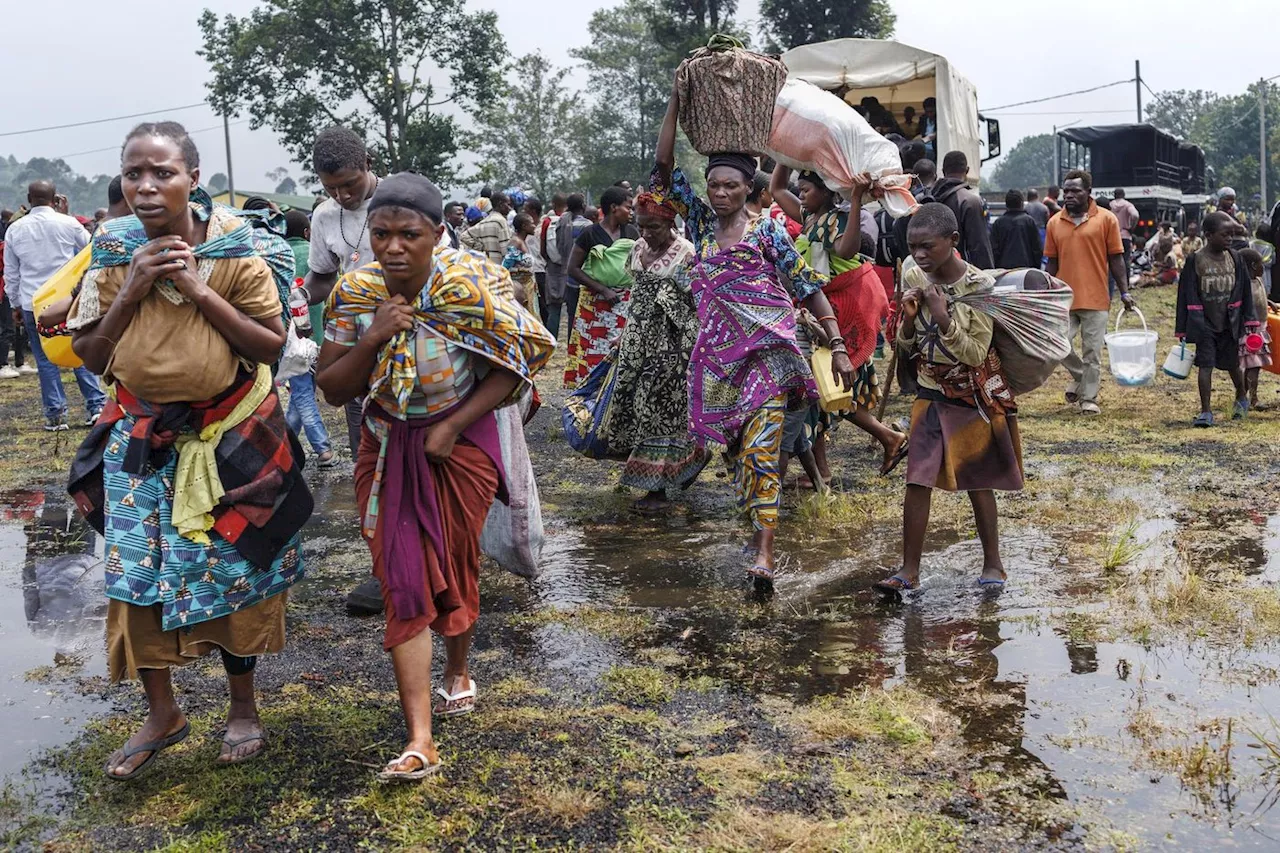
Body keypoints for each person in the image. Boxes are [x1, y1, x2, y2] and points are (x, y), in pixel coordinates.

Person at [66, 121, 310, 778]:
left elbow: (268, 344)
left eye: (163, 172)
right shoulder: (112, 252)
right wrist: (137, 285)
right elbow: (89, 353)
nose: (146, 187)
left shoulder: (234, 249)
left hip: (227, 433)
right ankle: (162, 712)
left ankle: (242, 707)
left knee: (235, 573)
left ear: (192, 180)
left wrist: (198, 287)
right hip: (142, 441)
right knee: (135, 578)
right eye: (134, 172)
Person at [315, 172, 553, 783]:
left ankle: (458, 668)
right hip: (387, 443)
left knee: (455, 559)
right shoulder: (357, 292)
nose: (393, 248)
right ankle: (420, 736)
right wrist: (373, 336)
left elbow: (519, 364)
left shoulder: (469, 284)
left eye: (409, 235)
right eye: (382, 234)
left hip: (458, 443)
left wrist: (455, 426)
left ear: (436, 234)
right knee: (403, 572)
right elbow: (332, 385)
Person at [655, 82, 855, 586]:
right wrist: (678, 101)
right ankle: (755, 522)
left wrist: (836, 345)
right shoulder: (698, 226)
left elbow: (806, 285)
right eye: (714, 185)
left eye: (730, 186)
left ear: (750, 190)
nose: (720, 193)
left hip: (768, 356)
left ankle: (764, 553)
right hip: (716, 361)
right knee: (738, 453)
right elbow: (661, 169)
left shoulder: (767, 231)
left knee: (765, 450)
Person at [876, 203, 1021, 599]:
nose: (920, 256)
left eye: (928, 247)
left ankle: (993, 562)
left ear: (953, 242)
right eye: (913, 247)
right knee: (917, 478)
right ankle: (909, 569)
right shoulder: (910, 271)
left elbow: (975, 353)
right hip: (929, 388)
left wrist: (943, 318)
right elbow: (905, 345)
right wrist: (908, 319)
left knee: (978, 480)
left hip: (970, 393)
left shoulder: (979, 288)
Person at [770, 165, 908, 479]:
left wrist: (856, 197)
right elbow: (778, 189)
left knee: (823, 385)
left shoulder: (840, 218)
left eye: (807, 188)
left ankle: (827, 468)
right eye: (801, 188)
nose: (801, 193)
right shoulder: (809, 217)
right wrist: (786, 154)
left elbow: (847, 248)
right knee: (824, 387)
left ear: (828, 191)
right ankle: (843, 460)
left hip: (847, 307)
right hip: (827, 306)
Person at [299, 126, 383, 613]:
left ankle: (436, 561)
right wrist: (293, 298)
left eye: (349, 184)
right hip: (356, 355)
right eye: (331, 187)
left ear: (367, 163)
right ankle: (385, 568)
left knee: (425, 457)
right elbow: (323, 276)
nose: (341, 194)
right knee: (368, 461)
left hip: (413, 349)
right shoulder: (325, 215)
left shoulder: (400, 199)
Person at [586, 190, 711, 511]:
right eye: (641, 226)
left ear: (670, 223)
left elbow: (697, 305)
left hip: (670, 346)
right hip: (636, 341)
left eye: (653, 227)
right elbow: (635, 295)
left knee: (656, 411)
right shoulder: (638, 248)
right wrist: (625, 332)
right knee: (634, 404)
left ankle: (656, 488)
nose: (645, 234)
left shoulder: (686, 254)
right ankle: (689, 460)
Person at [3, 180, 107, 430]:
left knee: (44, 359)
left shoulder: (15, 229)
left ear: (29, 198)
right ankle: (96, 406)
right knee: (77, 350)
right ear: (55, 199)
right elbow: (92, 250)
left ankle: (56, 415)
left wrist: (16, 304)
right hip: (67, 299)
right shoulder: (68, 223)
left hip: (33, 303)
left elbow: (12, 272)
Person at [1045, 170, 1135, 416]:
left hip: (1096, 298)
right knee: (1056, 345)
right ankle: (1082, 378)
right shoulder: (1054, 222)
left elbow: (1117, 259)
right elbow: (1051, 263)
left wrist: (1125, 292)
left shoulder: (1107, 220)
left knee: (1091, 353)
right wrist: (1044, 292)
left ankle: (1089, 399)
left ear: (1088, 193)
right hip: (1063, 298)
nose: (1069, 195)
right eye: (1066, 191)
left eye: (1075, 191)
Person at [1176, 212, 1256, 426]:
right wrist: (1183, 328)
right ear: (1209, 235)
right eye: (1225, 234)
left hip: (1230, 322)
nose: (1230, 238)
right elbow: (1185, 294)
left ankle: (1241, 396)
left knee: (1232, 365)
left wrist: (1250, 321)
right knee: (1205, 365)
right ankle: (1206, 411)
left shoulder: (1236, 258)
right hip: (1204, 324)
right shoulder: (1195, 260)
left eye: (1232, 234)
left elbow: (1245, 291)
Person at [563, 186, 638, 388]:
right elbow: (573, 268)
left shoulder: (631, 232)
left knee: (621, 351)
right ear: (614, 208)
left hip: (622, 302)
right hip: (595, 305)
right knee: (592, 351)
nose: (630, 212)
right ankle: (590, 398)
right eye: (627, 207)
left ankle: (613, 398)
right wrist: (602, 289)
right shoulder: (590, 234)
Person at [282, 209, 335, 467]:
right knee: (303, 392)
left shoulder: (280, 256)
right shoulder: (317, 257)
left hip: (294, 340)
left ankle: (313, 447)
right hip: (324, 337)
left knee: (301, 391)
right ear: (307, 233)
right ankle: (315, 446)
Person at [932, 152, 993, 268]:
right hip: (960, 274)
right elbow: (979, 246)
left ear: (943, 171)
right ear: (967, 170)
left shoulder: (928, 198)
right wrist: (987, 276)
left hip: (932, 274)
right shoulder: (970, 201)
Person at [552, 194, 592, 341]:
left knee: (571, 316)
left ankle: (571, 347)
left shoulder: (561, 223)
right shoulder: (587, 226)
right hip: (583, 277)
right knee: (584, 316)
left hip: (568, 277)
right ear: (583, 206)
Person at [1238, 248, 1273, 410]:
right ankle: (1252, 398)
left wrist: (1270, 303)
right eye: (1261, 264)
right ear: (1253, 266)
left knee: (1253, 365)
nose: (1263, 267)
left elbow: (1262, 296)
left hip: (1261, 329)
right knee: (1253, 365)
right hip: (1251, 333)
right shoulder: (1244, 286)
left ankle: (1245, 396)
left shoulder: (1257, 280)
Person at [0, 210, 30, 379]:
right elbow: (10, 272)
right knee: (8, 329)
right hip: (7, 291)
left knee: (19, 329)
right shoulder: (5, 247)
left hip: (16, 290)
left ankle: (19, 361)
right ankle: (3, 364)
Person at [991, 190, 1044, 270]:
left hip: (1004, 271)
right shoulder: (1029, 221)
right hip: (1026, 270)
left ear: (1006, 205)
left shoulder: (998, 223)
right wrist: (1036, 268)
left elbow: (994, 250)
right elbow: (1037, 249)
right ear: (1021, 203)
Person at [536, 194, 567, 329]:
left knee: (554, 308)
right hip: (570, 267)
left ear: (553, 205)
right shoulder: (569, 220)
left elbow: (542, 248)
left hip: (553, 267)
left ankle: (552, 339)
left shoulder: (547, 222)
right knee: (572, 308)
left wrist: (549, 260)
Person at [461, 191, 513, 264]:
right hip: (500, 266)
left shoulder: (486, 221)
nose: (510, 208)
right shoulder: (501, 221)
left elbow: (464, 236)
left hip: (488, 265)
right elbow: (506, 250)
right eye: (508, 204)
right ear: (500, 204)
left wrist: (481, 247)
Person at [502, 213, 539, 315]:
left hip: (528, 288)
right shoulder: (515, 242)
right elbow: (506, 266)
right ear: (524, 226)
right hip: (520, 290)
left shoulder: (522, 241)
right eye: (531, 223)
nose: (534, 226)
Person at [1109, 188, 1139, 289]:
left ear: (1114, 195)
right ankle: (1125, 284)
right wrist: (1131, 227)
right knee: (1125, 260)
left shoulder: (1110, 205)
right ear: (1123, 195)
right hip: (1125, 236)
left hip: (1113, 236)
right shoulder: (1127, 205)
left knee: (1112, 260)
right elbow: (1135, 215)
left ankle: (1113, 284)